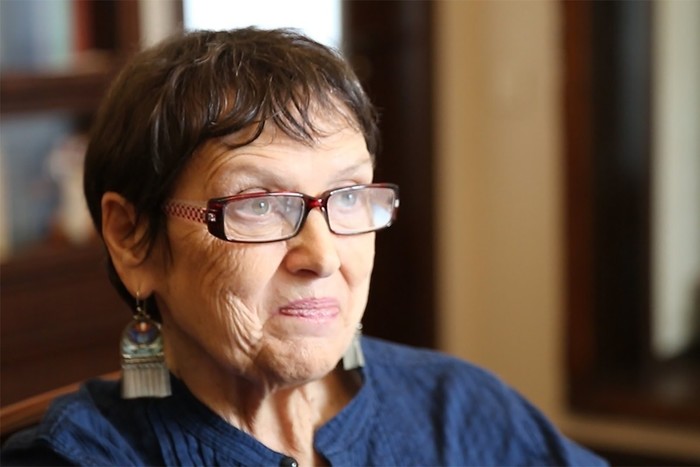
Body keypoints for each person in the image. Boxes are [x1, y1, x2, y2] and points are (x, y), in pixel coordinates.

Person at [1, 28, 606, 466]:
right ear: (131, 237)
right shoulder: (78, 456)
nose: (322, 256)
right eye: (260, 204)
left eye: (349, 196)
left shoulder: (456, 408)